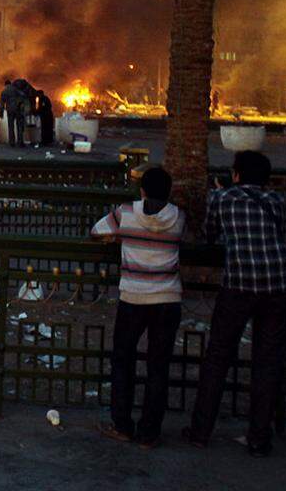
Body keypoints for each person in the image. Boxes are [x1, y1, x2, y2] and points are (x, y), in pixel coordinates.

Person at [183, 151, 286, 457]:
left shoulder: (223, 199)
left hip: (240, 284)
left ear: (235, 174)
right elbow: (279, 235)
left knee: (218, 356)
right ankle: (259, 437)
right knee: (268, 361)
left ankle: (200, 431)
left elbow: (209, 235)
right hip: (279, 284)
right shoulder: (275, 201)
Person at [91, 166, 185, 448]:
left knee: (123, 360)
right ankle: (149, 432)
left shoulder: (126, 213)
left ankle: (122, 424)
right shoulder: (179, 218)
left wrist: (120, 236)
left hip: (133, 298)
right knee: (158, 366)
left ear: (142, 190)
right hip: (168, 300)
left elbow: (96, 230)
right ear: (169, 191)